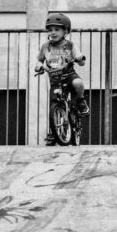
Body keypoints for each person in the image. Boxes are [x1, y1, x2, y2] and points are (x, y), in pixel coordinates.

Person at [33, 12, 89, 144]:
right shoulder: (45, 47)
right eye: (50, 29)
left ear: (66, 31)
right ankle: (53, 132)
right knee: (54, 105)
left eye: (57, 29)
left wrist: (80, 59)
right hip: (55, 79)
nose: (53, 32)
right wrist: (38, 66)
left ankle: (81, 101)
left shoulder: (70, 45)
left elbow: (81, 60)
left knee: (78, 83)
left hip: (69, 75)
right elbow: (40, 60)